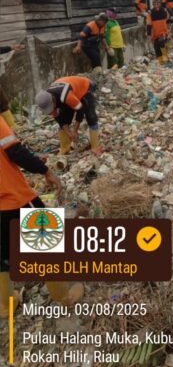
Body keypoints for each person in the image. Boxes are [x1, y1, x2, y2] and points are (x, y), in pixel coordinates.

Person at [0, 115, 84, 318]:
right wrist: (45, 171)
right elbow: (15, 151)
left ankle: (6, 305)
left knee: (1, 253)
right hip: (12, 197)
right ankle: (63, 297)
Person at [35, 76, 102, 155]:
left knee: (91, 117)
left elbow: (80, 110)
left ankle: (95, 147)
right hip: (70, 90)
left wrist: (75, 131)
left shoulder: (66, 97)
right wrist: (68, 133)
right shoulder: (46, 98)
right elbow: (59, 118)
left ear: (53, 101)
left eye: (51, 109)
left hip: (84, 87)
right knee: (65, 118)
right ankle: (65, 148)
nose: (51, 112)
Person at [147, 0, 169, 65]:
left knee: (162, 45)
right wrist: (149, 34)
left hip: (163, 33)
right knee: (156, 48)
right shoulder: (150, 13)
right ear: (153, 5)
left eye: (157, 3)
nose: (156, 5)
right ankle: (161, 62)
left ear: (160, 4)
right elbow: (149, 24)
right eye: (155, 4)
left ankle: (166, 60)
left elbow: (168, 18)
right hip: (155, 34)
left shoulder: (164, 11)